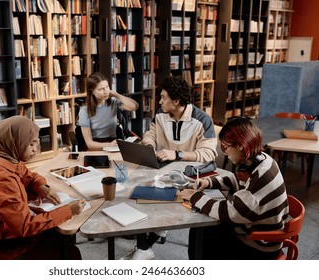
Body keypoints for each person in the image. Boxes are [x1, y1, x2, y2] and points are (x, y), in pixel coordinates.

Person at [123, 76, 218, 260]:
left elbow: (208, 154)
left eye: (163, 97)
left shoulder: (202, 120)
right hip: (162, 171)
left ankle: (144, 248)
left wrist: (178, 154)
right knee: (131, 189)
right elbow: (150, 134)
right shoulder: (160, 114)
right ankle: (153, 237)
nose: (159, 101)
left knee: (143, 195)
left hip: (187, 178)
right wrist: (149, 144)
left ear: (176, 101)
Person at [0, 116, 85, 259]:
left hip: (6, 230)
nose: (36, 150)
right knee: (71, 252)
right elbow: (25, 226)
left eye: (37, 143)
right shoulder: (0, 179)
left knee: (61, 236)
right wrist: (68, 210)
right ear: (14, 142)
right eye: (31, 144)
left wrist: (41, 186)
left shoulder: (5, 158)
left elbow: (30, 176)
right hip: (4, 245)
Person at [182, 117, 289, 259]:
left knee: (201, 235)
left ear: (240, 145)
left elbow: (231, 212)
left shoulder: (261, 178)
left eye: (225, 148)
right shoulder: (263, 159)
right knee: (201, 230)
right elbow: (238, 181)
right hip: (259, 234)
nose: (225, 153)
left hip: (258, 247)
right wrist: (209, 182)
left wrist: (195, 197)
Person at [77, 72, 139, 151]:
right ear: (92, 91)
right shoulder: (85, 111)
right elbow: (90, 144)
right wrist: (109, 145)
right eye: (101, 89)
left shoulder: (113, 102)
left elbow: (134, 106)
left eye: (107, 87)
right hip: (96, 146)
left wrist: (116, 94)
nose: (105, 91)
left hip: (114, 143)